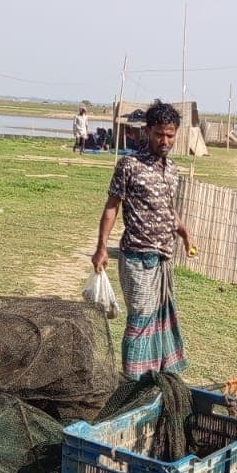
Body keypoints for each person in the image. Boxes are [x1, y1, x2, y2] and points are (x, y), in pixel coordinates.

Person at [91, 99, 195, 376]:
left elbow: (168, 210)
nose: (165, 140)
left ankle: (154, 377)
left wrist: (184, 234)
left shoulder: (171, 170)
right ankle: (132, 381)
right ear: (148, 131)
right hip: (137, 257)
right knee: (139, 321)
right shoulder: (130, 165)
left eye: (170, 135)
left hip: (163, 258)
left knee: (160, 319)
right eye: (159, 133)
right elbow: (112, 207)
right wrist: (101, 248)